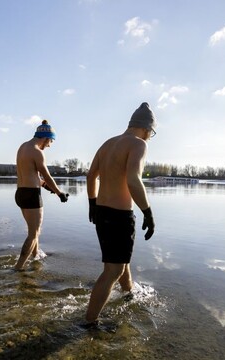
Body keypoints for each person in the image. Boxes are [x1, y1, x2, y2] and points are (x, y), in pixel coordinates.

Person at [84, 102, 156, 325]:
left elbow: (90, 176)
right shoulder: (138, 144)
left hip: (102, 212)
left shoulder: (108, 143)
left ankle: (129, 293)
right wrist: (148, 212)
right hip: (118, 216)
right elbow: (133, 180)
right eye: (152, 133)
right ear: (146, 128)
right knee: (112, 270)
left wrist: (92, 203)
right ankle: (89, 322)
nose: (150, 137)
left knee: (121, 261)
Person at [13, 120, 69, 270]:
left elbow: (34, 175)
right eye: (50, 141)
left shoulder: (23, 147)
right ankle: (18, 267)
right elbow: (47, 175)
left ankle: (35, 254)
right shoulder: (38, 152)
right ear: (45, 138)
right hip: (31, 195)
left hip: (20, 193)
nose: (49, 145)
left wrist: (46, 187)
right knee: (33, 233)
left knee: (34, 230)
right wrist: (59, 193)